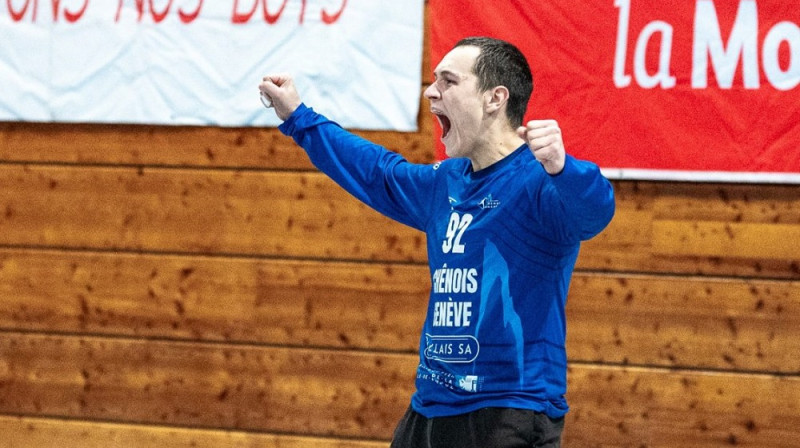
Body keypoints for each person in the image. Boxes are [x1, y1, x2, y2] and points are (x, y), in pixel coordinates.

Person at [259, 36, 615, 448]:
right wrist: (298, 116)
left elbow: (596, 212)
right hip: (430, 408)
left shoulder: (541, 181)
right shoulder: (446, 181)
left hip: (509, 410)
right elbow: (376, 171)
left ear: (494, 98)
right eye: (434, 80)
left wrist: (562, 167)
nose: (431, 92)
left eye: (448, 81)